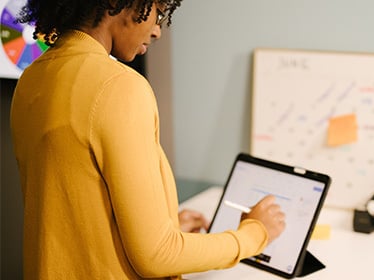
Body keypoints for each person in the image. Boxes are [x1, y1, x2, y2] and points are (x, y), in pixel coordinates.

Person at [10, 0, 286, 279]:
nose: (157, 31)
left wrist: (160, 223)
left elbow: (74, 211)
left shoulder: (32, 79)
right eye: (158, 13)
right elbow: (157, 256)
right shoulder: (119, 86)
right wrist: (254, 234)